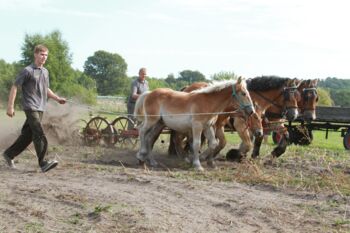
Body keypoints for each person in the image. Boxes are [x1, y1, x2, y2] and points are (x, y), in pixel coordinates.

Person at [2, 44, 66, 172]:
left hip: (41, 107)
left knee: (28, 135)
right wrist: (10, 106)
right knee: (38, 132)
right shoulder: (27, 71)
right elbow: (15, 86)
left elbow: (45, 88)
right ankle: (43, 162)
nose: (44, 57)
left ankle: (9, 154)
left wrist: (57, 98)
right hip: (30, 106)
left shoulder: (45, 72)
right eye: (42, 54)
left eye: (46, 55)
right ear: (35, 54)